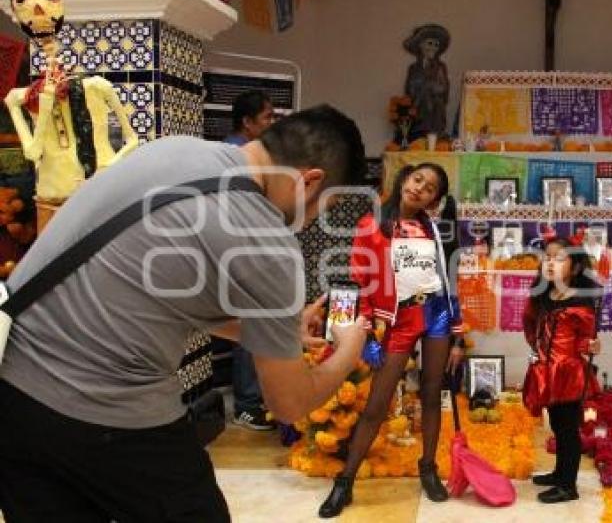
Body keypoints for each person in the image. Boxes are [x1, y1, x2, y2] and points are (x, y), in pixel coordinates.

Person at [0, 105, 369, 522]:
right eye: (325, 206)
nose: (311, 221)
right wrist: (348, 349)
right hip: (107, 411)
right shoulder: (268, 244)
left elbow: (161, 293)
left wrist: (278, 332)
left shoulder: (172, 151)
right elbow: (288, 403)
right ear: (310, 181)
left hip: (13, 398)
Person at [318, 163, 465, 518]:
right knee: (377, 404)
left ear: (435, 200)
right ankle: (345, 481)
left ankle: (427, 468)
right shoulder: (372, 225)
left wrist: (459, 335)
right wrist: (367, 331)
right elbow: (363, 280)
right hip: (397, 321)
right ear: (405, 179)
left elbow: (448, 280)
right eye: (418, 180)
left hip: (436, 316)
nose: (420, 189)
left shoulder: (436, 229)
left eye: (429, 188)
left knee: (432, 394)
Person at [522, 236, 602, 504]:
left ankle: (569, 486)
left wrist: (590, 345)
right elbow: (531, 324)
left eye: (559, 258)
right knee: (556, 423)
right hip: (548, 369)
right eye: (547, 257)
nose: (550, 262)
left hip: (568, 372)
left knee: (568, 428)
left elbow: (584, 337)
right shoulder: (546, 295)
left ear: (576, 267)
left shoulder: (580, 300)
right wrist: (537, 347)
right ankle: (559, 473)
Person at [220, 89, 278, 429]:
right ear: (247, 121)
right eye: (267, 117)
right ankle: (247, 404)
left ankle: (253, 398)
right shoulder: (237, 155)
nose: (272, 123)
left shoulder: (239, 152)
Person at [403, 24, 451, 139]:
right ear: (420, 45)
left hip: (435, 113)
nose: (433, 47)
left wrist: (428, 86)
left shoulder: (440, 67)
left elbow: (443, 89)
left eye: (436, 45)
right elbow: (409, 90)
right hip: (418, 113)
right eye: (430, 43)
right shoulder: (413, 68)